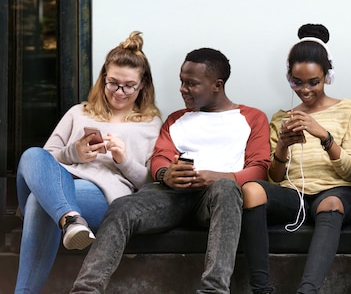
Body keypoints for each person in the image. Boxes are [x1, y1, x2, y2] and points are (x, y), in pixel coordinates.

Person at [70, 47, 271, 294]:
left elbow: (259, 169)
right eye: (181, 81)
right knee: (122, 207)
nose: (182, 89)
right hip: (171, 195)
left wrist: (218, 177)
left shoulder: (251, 118)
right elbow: (160, 159)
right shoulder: (176, 119)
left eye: (191, 83)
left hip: (216, 198)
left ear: (217, 85)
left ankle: (213, 291)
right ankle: (85, 290)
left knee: (227, 188)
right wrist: (167, 174)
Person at [15, 31, 162, 294]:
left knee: (39, 202)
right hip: (61, 183)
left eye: (128, 85)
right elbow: (42, 162)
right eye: (113, 83)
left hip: (102, 195)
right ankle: (70, 218)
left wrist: (124, 160)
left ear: (143, 86)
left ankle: (67, 221)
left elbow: (149, 184)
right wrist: (74, 153)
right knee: (31, 154)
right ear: (103, 79)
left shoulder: (150, 124)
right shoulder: (78, 112)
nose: (119, 92)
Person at [241, 24, 351, 294]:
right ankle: (262, 289)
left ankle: (307, 291)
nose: (304, 90)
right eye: (296, 82)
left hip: (335, 193)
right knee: (251, 190)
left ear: (327, 77)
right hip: (293, 195)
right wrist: (283, 147)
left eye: (313, 82)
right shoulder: (281, 117)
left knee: (330, 202)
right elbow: (274, 177)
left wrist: (324, 136)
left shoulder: (348, 109)